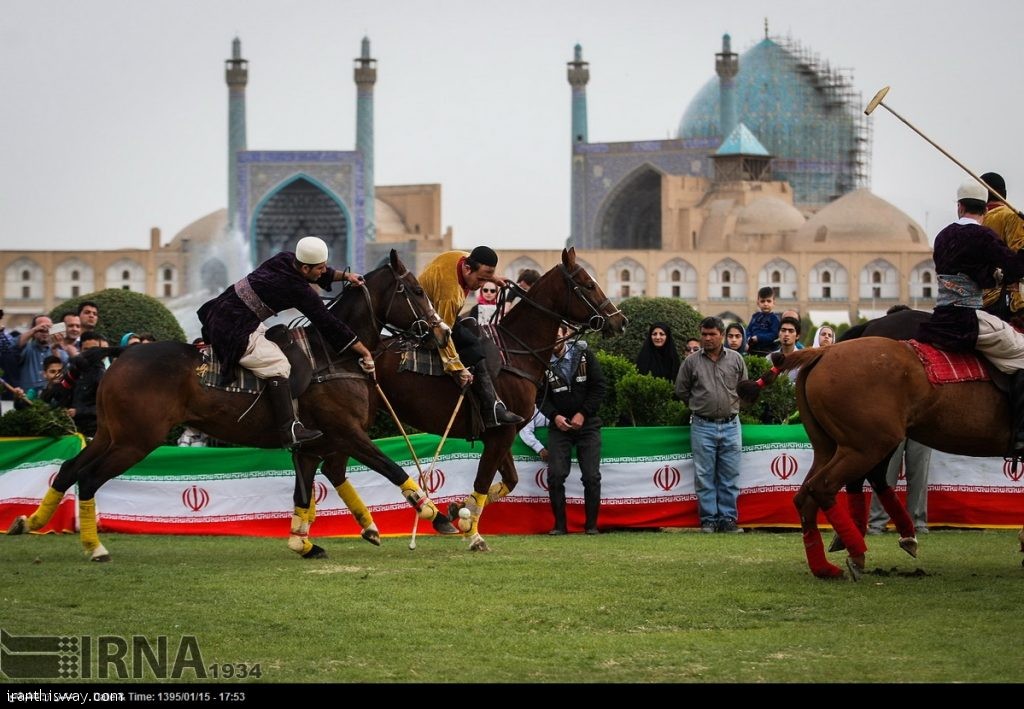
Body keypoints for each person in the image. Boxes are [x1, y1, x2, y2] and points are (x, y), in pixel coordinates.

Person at [197, 236, 374, 449]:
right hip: (233, 325)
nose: (323, 272)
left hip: (222, 309)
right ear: (305, 268)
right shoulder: (297, 289)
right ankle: (289, 429)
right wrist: (363, 350)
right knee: (278, 365)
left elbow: (323, 273)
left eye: (324, 267)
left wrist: (346, 276)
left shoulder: (285, 258)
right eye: (319, 269)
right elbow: (328, 323)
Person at [916, 181, 1024, 451]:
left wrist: (991, 275)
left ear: (959, 206)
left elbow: (972, 273)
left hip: (940, 318)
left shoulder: (942, 236)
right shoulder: (985, 237)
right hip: (967, 321)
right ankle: (1021, 433)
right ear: (985, 209)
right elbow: (1015, 269)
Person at [418, 246, 523, 427]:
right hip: (428, 320)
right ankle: (491, 408)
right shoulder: (450, 294)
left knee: (472, 328)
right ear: (467, 269)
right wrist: (457, 368)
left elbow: (478, 266)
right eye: (481, 279)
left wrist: (495, 279)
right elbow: (442, 333)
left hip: (439, 313)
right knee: (474, 347)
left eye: (486, 279)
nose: (483, 286)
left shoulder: (462, 257)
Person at [675, 316, 748, 533]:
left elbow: (744, 388)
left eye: (712, 334)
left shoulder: (736, 359)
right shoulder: (691, 362)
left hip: (731, 425)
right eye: (704, 334)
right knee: (704, 475)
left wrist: (733, 405)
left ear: (722, 335)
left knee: (730, 475)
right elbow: (681, 390)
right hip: (702, 425)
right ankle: (708, 519)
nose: (707, 338)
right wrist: (699, 404)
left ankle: (727, 519)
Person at [539, 325, 607, 535]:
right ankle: (559, 526)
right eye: (550, 339)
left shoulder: (584, 354)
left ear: (565, 335)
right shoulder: (540, 363)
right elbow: (539, 397)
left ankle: (591, 526)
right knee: (556, 475)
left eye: (557, 337)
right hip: (559, 426)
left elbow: (599, 387)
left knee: (591, 476)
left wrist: (583, 413)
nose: (554, 343)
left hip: (587, 424)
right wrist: (555, 417)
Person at [979, 172, 1024, 320]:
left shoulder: (976, 218)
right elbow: (1019, 259)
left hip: (975, 298)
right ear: (1003, 193)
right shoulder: (1011, 216)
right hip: (1004, 298)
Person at [746, 286, 780, 355]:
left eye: (768, 301)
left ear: (774, 303)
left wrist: (758, 338)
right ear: (758, 303)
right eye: (762, 301)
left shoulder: (774, 319)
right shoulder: (755, 317)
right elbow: (748, 330)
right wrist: (749, 338)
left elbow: (774, 335)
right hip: (753, 350)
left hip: (767, 352)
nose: (765, 304)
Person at [769, 316, 801, 381]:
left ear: (797, 336)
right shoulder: (769, 358)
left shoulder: (802, 360)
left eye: (791, 331)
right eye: (783, 330)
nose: (786, 334)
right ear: (778, 334)